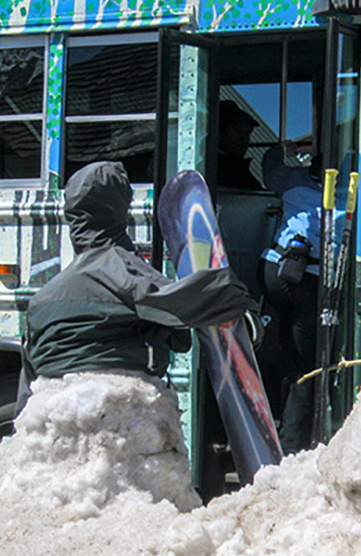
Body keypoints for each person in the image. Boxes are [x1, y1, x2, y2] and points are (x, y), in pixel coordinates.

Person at [17, 161, 259, 412]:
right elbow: (179, 304)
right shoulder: (126, 272)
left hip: (48, 411)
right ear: (120, 207)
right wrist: (240, 302)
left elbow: (27, 376)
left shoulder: (42, 298)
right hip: (118, 413)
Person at [258, 142, 343, 453]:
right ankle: (293, 447)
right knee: (304, 368)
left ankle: (267, 421)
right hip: (309, 279)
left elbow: (268, 165)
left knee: (278, 350)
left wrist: (284, 147)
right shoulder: (350, 193)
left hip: (272, 269)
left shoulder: (291, 179)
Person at [217, 100, 262, 190]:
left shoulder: (240, 173)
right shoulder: (205, 169)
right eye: (238, 129)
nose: (243, 138)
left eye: (247, 133)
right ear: (219, 130)